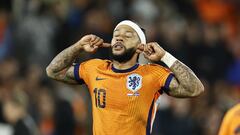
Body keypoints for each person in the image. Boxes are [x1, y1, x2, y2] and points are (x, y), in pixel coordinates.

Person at [46, 20, 204, 135]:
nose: (120, 38)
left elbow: (195, 88)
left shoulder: (152, 74)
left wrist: (165, 57)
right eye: (116, 35)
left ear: (140, 47)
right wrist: (78, 46)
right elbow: (53, 71)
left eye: (128, 35)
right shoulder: (95, 68)